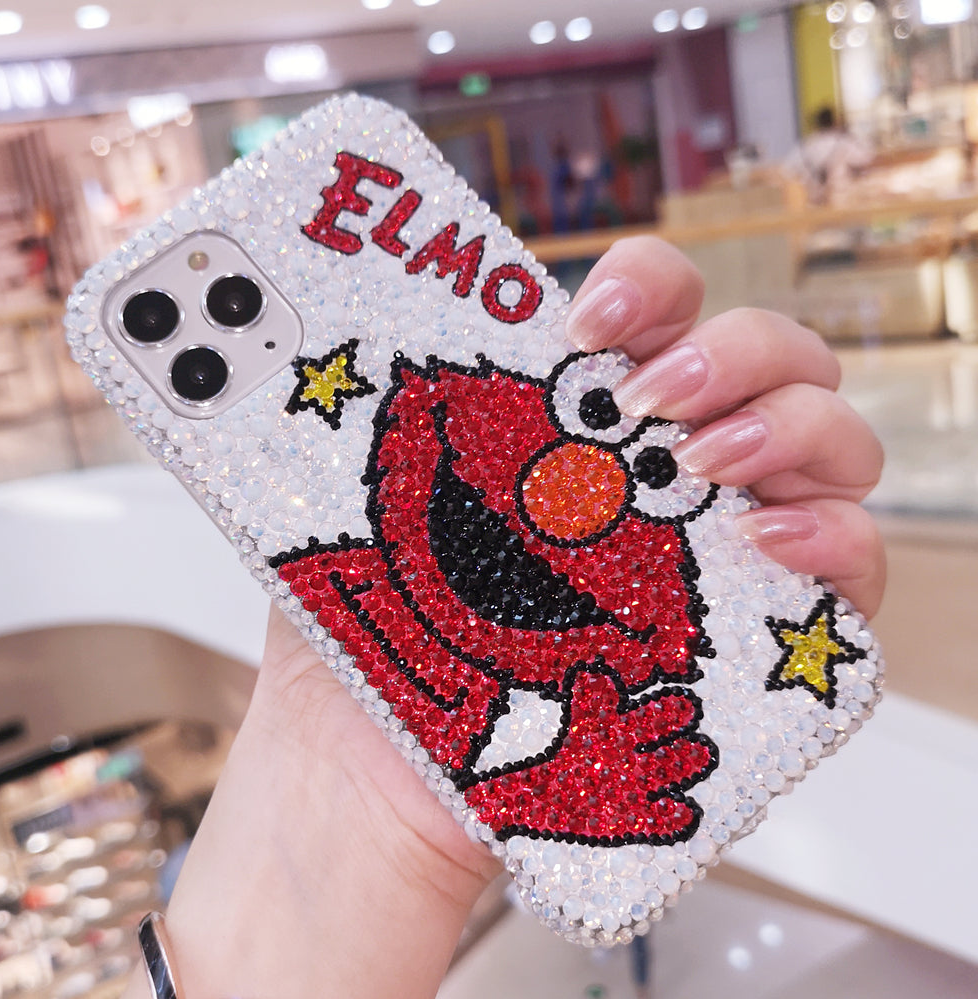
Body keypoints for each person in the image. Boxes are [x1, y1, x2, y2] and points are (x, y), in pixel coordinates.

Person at [123, 236, 885, 999]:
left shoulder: (471, 710)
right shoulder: (337, 596)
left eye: (653, 479)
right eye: (589, 412)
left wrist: (540, 796)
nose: (574, 495)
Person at [784, 106, 873, 205]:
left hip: (813, 202)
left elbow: (788, 169)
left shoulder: (805, 146)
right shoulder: (843, 143)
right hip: (841, 200)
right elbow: (867, 159)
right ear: (834, 122)